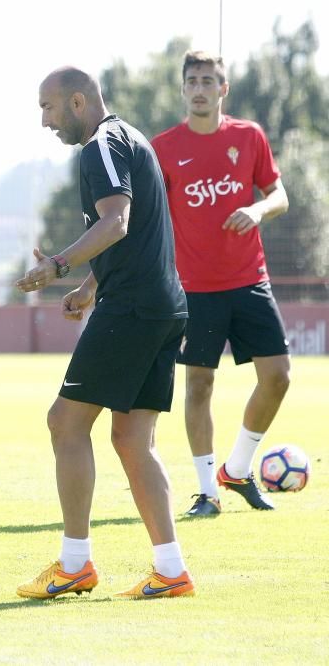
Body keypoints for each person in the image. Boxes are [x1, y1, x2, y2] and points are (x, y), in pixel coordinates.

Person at [15, 67, 194, 600]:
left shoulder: (100, 145)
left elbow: (115, 222)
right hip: (164, 306)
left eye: (47, 108)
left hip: (135, 308)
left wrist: (59, 267)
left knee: (65, 424)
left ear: (76, 102)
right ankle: (171, 570)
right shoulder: (133, 138)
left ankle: (75, 564)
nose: (44, 121)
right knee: (132, 439)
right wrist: (92, 285)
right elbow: (131, 230)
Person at [152, 51, 290, 518]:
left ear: (223, 89)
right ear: (183, 88)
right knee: (199, 386)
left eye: (208, 80)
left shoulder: (248, 136)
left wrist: (255, 210)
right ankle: (207, 491)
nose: (199, 88)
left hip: (250, 280)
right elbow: (147, 218)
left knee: (278, 378)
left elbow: (279, 195)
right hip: (194, 288)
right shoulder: (163, 148)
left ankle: (238, 468)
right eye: (192, 80)